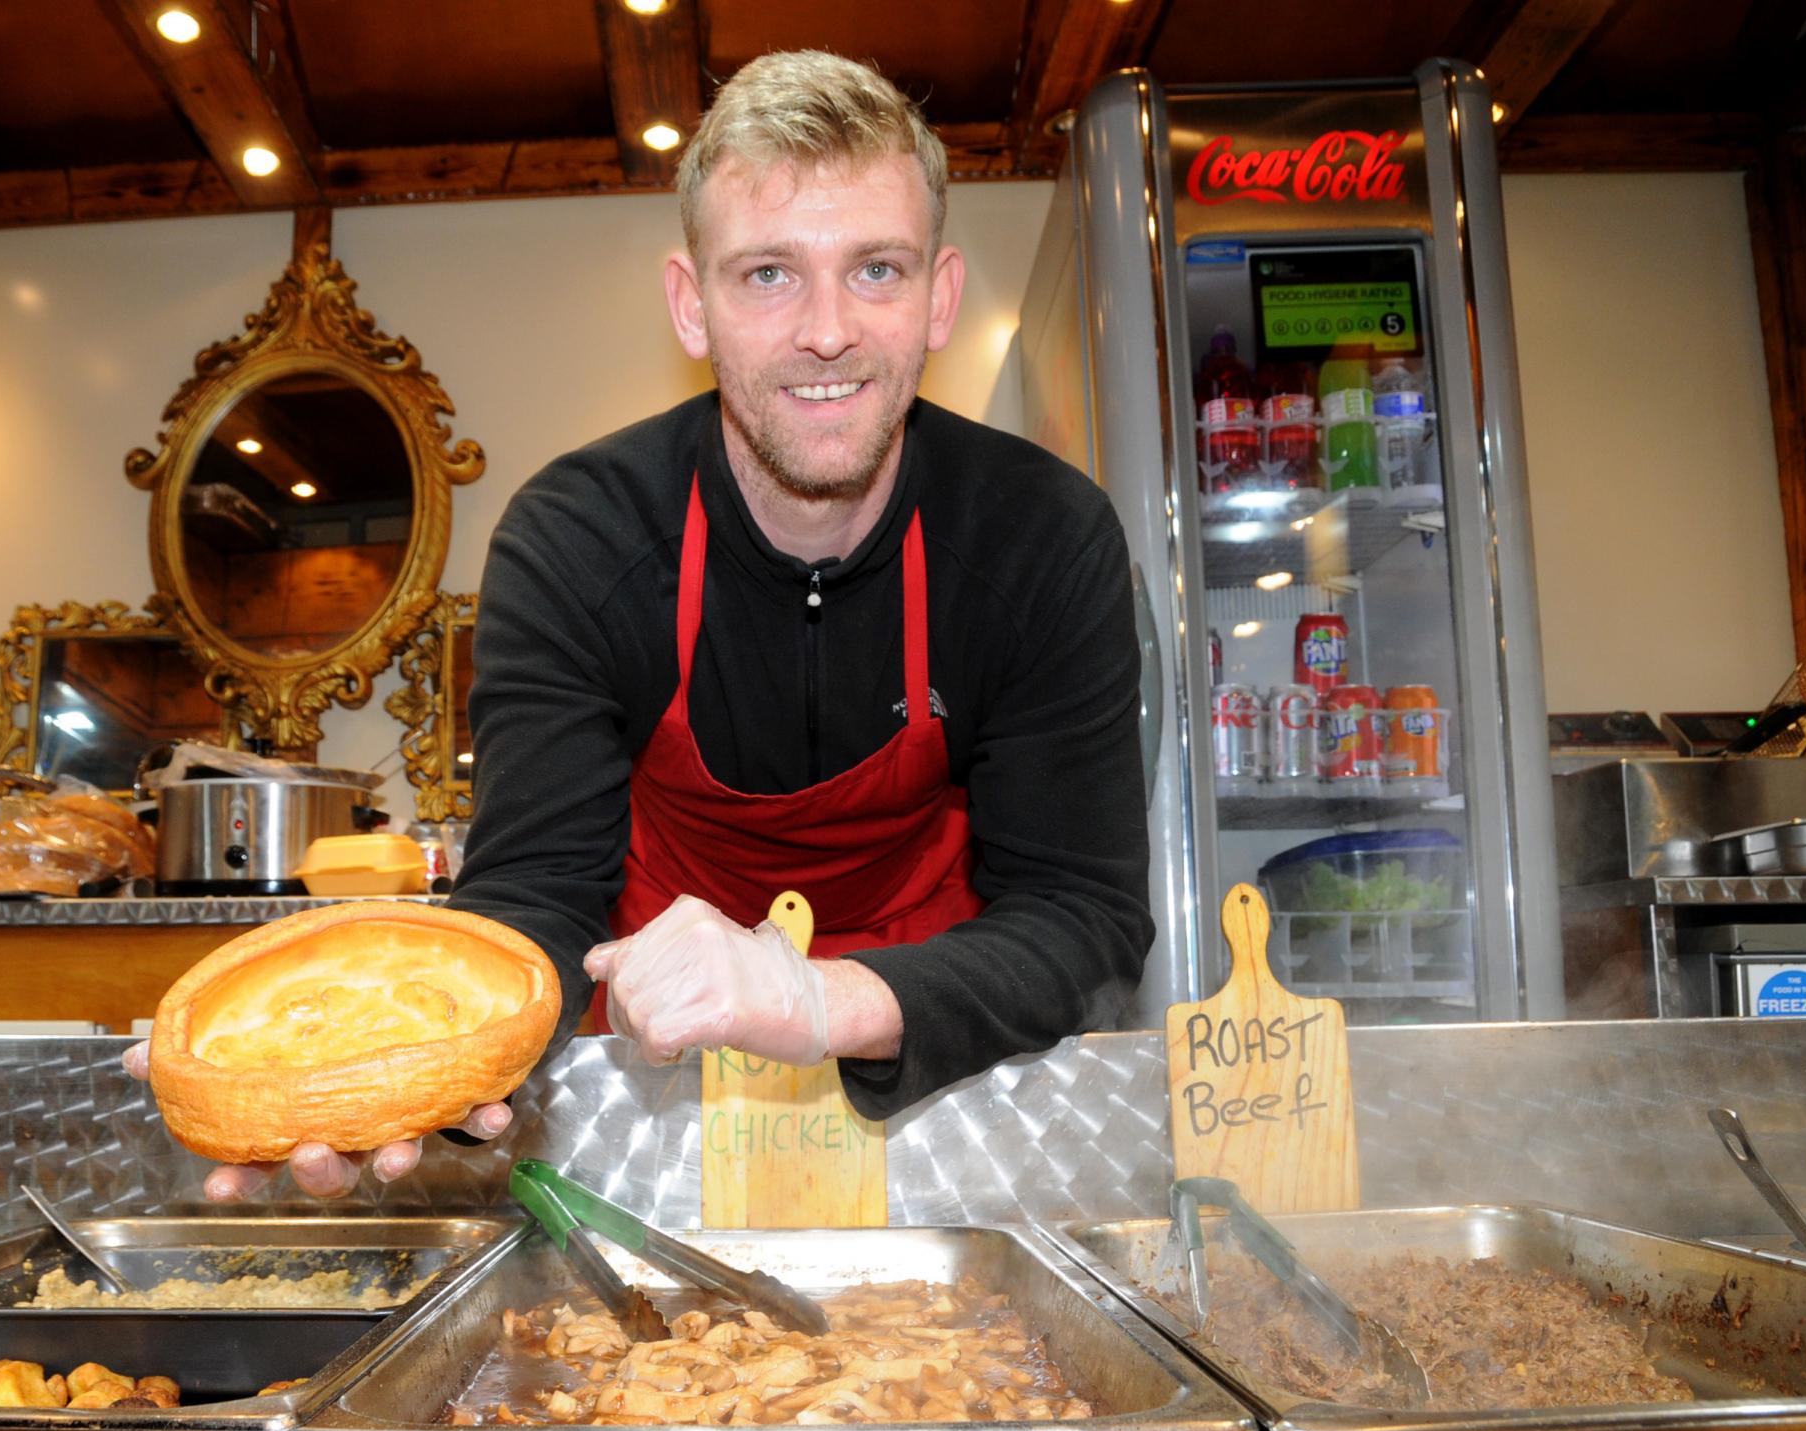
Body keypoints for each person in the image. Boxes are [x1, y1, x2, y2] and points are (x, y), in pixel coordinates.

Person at [139, 49, 1153, 1199]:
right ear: (692, 303)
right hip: (649, 1107)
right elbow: (533, 899)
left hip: (949, 1093)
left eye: (876, 268)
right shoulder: (576, 539)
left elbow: (1084, 917)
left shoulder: (1041, 536)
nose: (828, 330)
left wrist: (821, 1000)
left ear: (941, 298)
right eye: (768, 273)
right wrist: (410, 1077)